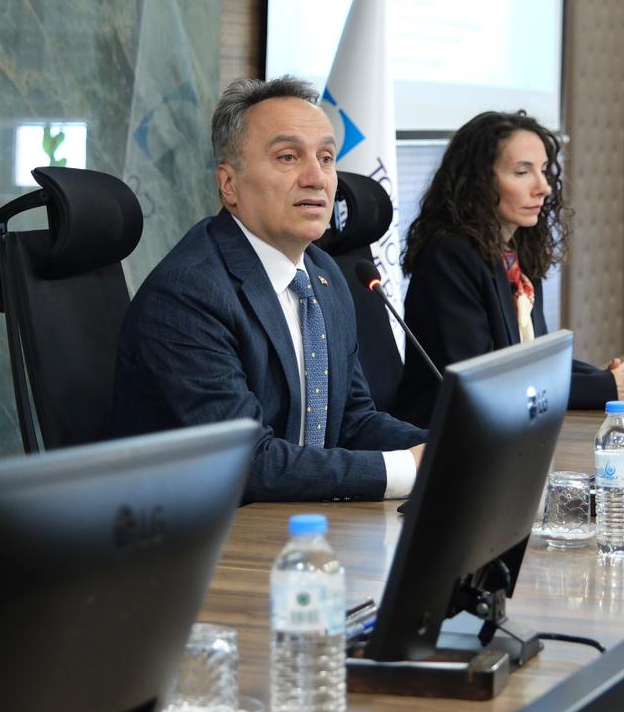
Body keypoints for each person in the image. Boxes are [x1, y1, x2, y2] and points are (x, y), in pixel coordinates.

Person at [113, 76, 426, 503]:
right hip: (200, 530)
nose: (316, 178)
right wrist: (410, 469)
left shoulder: (325, 274)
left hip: (292, 518)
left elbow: (351, 422)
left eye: (327, 158)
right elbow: (245, 463)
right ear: (229, 184)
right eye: (288, 157)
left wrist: (452, 448)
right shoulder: (189, 293)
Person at [395, 110, 624, 428]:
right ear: (478, 182)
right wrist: (606, 388)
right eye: (522, 172)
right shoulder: (449, 258)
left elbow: (531, 358)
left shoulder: (514, 253)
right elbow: (485, 380)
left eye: (544, 170)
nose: (543, 187)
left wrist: (611, 378)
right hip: (443, 440)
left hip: (505, 432)